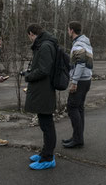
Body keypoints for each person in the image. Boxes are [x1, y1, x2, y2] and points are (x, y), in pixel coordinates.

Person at [24, 23, 58, 170]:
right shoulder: (44, 44)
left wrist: (29, 76)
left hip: (44, 90)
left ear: (32, 34)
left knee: (47, 124)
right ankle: (45, 152)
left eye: (29, 36)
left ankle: (48, 158)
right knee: (45, 123)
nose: (30, 39)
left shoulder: (44, 46)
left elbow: (44, 69)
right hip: (42, 90)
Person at [63, 21, 93, 149]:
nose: (68, 32)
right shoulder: (85, 42)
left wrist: (74, 81)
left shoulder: (78, 44)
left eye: (68, 30)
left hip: (80, 81)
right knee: (79, 108)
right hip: (86, 79)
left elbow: (80, 64)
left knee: (72, 107)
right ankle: (77, 137)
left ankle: (77, 139)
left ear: (71, 30)